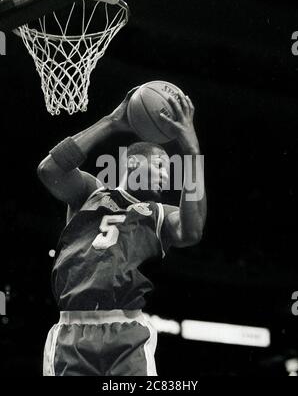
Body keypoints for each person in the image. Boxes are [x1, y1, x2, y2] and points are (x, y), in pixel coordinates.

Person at [38, 87, 207, 376]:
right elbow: (49, 170)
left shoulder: (158, 214)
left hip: (127, 332)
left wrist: (192, 153)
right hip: (70, 332)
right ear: (132, 163)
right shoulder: (89, 192)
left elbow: (191, 231)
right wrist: (112, 121)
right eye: (160, 166)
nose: (167, 177)